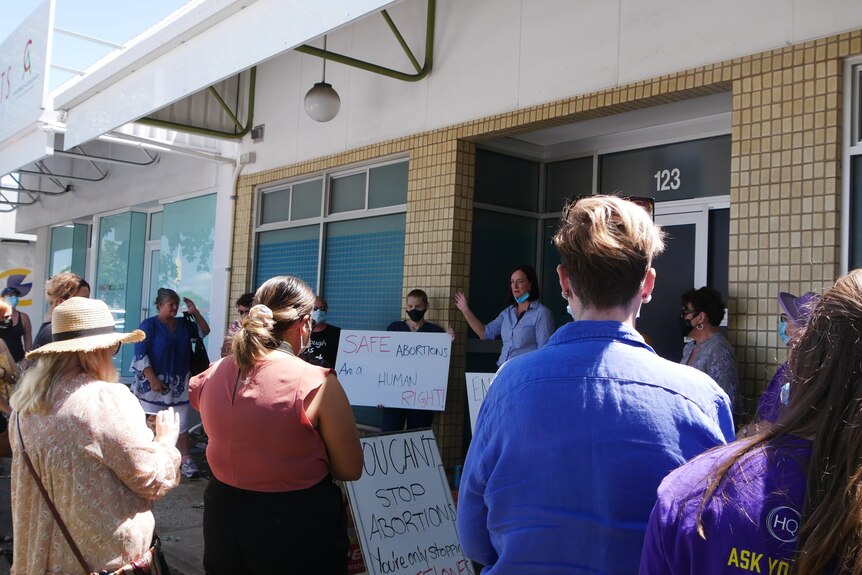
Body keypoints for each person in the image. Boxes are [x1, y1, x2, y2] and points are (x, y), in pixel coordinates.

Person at [457, 195, 735, 574]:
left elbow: (473, 535)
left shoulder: (507, 387)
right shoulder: (704, 398)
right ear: (649, 283)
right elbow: (714, 541)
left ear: (564, 281)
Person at [640, 270, 862, 574]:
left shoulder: (695, 492)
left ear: (812, 356)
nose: (786, 327)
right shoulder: (691, 346)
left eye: (791, 320)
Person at [189, 276, 362, 574]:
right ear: (304, 323)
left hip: (222, 517)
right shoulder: (317, 382)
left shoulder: (212, 374)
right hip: (295, 524)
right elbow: (350, 468)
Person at [9, 297, 180, 574]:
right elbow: (151, 479)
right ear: (97, 350)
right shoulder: (103, 399)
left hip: (38, 559)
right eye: (114, 345)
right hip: (98, 561)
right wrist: (165, 443)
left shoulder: (24, 406)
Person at [131, 287, 210, 478]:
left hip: (179, 383)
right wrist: (152, 379)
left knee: (181, 426)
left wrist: (195, 312)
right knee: (151, 424)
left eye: (176, 304)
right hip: (154, 384)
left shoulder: (184, 323)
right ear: (159, 306)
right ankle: (149, 462)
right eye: (170, 304)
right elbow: (140, 354)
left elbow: (204, 332)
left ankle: (186, 461)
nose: (174, 308)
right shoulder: (148, 325)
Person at [738, 290, 819, 438]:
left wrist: (759, 430)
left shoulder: (809, 371)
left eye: (786, 318)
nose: (783, 324)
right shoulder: (789, 366)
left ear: (800, 329)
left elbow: (792, 424)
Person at [381, 289, 454, 432]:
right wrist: (380, 392)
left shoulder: (436, 333)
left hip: (422, 399)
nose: (413, 310)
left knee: (418, 439)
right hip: (395, 394)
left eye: (417, 307)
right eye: (410, 307)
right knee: (388, 435)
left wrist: (447, 342)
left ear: (426, 306)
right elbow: (384, 363)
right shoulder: (394, 328)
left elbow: (439, 367)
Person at [455, 264, 554, 366]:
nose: (515, 286)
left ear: (530, 284)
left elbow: (544, 352)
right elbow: (484, 333)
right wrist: (465, 309)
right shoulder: (507, 313)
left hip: (524, 373)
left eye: (520, 281)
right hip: (503, 371)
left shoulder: (541, 313)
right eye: (512, 282)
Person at [679, 287, 740, 407]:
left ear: (701, 317)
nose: (682, 317)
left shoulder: (719, 349)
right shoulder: (689, 347)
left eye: (686, 312)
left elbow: (727, 399)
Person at [31, 272, 89, 350]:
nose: (88, 305)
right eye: (80, 300)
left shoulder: (55, 328)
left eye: (87, 300)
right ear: (60, 302)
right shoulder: (55, 332)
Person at [299, 295, 342, 368]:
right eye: (315, 309)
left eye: (322, 308)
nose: (319, 311)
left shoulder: (337, 333)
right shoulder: (301, 332)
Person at [0, 287, 32, 364]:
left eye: (16, 296)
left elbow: (28, 340)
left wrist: (27, 360)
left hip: (19, 361)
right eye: (10, 295)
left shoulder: (24, 317)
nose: (14, 298)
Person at [220, 292, 254, 357]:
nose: (244, 315)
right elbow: (225, 350)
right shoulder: (235, 326)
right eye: (241, 312)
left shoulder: (261, 326)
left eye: (247, 312)